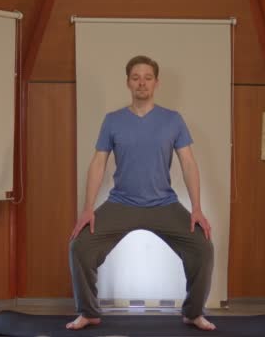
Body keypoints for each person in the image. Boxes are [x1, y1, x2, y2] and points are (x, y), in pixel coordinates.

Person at [66, 55, 215, 331]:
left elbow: (188, 163)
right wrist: (87, 208)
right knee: (80, 245)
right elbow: (98, 163)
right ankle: (89, 312)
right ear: (128, 83)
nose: (142, 83)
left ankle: (193, 312)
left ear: (156, 83)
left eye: (147, 77)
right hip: (122, 202)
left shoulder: (173, 120)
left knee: (203, 247)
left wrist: (196, 208)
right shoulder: (113, 120)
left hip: (164, 204)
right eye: (136, 77)